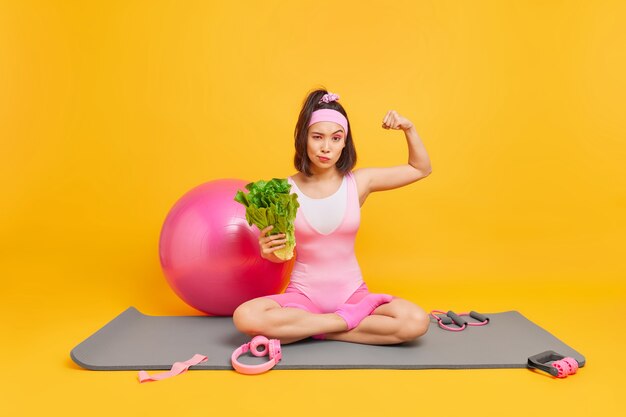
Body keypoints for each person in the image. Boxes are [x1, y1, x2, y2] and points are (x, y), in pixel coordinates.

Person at [233, 88, 432, 345]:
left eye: (336, 138)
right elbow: (279, 256)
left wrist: (409, 128)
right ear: (304, 138)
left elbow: (420, 168)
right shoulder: (282, 190)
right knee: (246, 317)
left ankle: (309, 330)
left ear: (344, 143)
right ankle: (340, 323)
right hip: (302, 299)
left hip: (354, 296)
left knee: (416, 321)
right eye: (317, 137)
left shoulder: (359, 182)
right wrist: (268, 252)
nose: (326, 147)